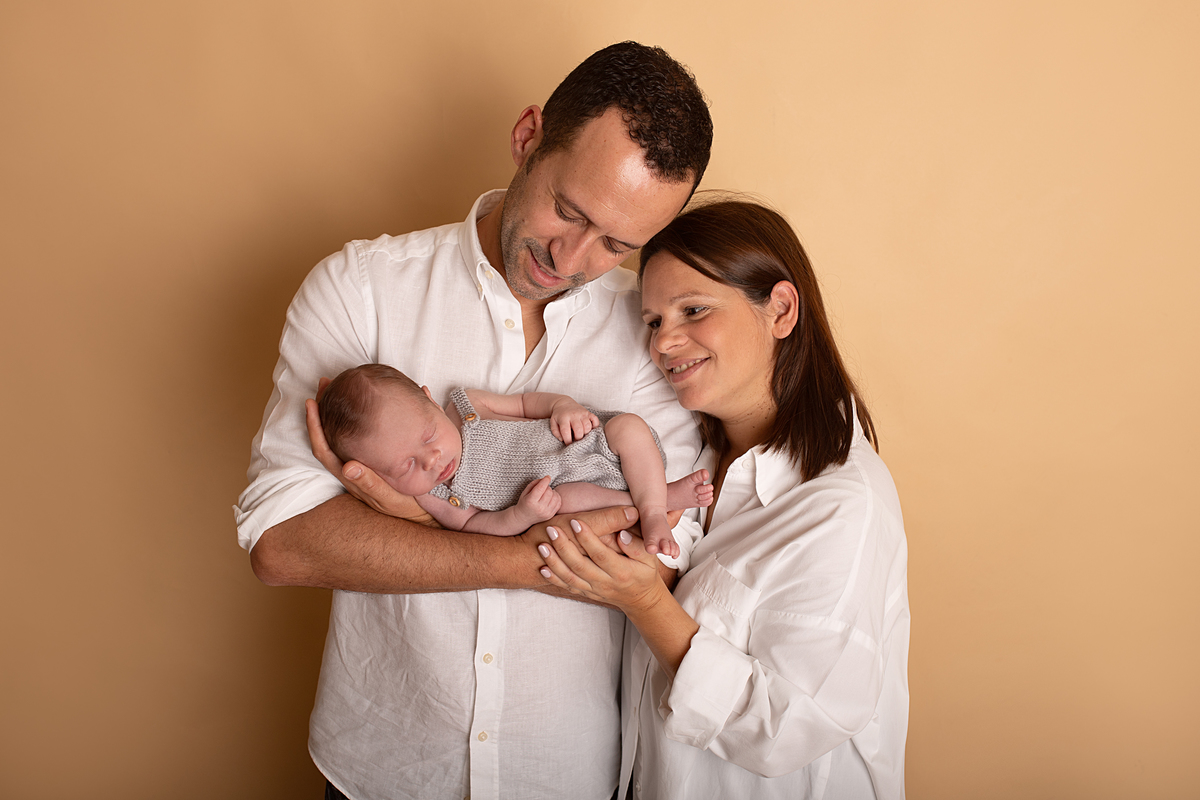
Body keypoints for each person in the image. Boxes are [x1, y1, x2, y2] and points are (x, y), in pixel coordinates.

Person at [234, 42, 714, 800]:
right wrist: (528, 555)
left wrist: (407, 516)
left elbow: (655, 557)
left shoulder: (661, 332)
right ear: (527, 138)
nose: (574, 255)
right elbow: (285, 543)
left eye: (618, 242)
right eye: (570, 209)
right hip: (383, 769)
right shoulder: (360, 291)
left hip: (563, 774)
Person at [538, 200, 910, 799]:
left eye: (694, 310)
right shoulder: (692, 464)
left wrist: (644, 603)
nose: (666, 342)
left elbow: (785, 731)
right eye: (654, 320)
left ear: (781, 309)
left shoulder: (843, 506)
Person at [317, 363, 712, 552]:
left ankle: (655, 506)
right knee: (569, 503)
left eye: (428, 436)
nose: (432, 460)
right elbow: (473, 526)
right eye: (404, 466)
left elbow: (526, 404)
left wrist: (563, 406)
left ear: (427, 397)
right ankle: (659, 502)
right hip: (560, 492)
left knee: (628, 426)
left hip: (590, 445)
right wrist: (520, 516)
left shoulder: (468, 406)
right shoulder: (432, 496)